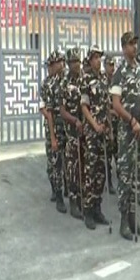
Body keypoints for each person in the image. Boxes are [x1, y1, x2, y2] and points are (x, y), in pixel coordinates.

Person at [110, 31, 140, 241]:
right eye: (130, 44)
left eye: (135, 44)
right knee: (126, 177)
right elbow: (116, 104)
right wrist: (131, 121)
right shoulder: (119, 73)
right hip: (127, 134)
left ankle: (134, 218)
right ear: (123, 47)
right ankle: (123, 222)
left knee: (138, 176)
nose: (134, 48)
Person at [80, 45, 111, 229]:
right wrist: (95, 125)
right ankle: (88, 211)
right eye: (96, 58)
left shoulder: (104, 79)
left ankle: (98, 208)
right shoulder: (86, 80)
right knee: (90, 172)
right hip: (92, 132)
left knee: (101, 171)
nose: (98, 60)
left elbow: (107, 105)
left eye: (100, 57)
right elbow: (84, 107)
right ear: (90, 60)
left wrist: (108, 128)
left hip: (103, 132)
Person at [59, 47, 84, 221]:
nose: (77, 64)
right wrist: (75, 120)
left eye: (78, 61)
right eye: (74, 62)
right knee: (73, 167)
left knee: (84, 166)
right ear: (68, 64)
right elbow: (62, 111)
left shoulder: (84, 80)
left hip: (86, 132)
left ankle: (84, 200)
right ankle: (74, 202)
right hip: (72, 133)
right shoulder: (64, 84)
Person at [45, 49, 67, 213]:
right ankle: (58, 194)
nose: (61, 65)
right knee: (55, 163)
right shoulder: (48, 85)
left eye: (62, 62)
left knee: (68, 162)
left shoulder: (68, 82)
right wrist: (52, 136)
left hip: (67, 129)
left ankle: (68, 190)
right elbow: (47, 111)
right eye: (58, 62)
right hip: (54, 128)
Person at [39, 56, 57, 201]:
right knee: (52, 160)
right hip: (50, 125)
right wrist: (50, 116)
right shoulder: (45, 84)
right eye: (49, 66)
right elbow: (42, 107)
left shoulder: (61, 82)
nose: (50, 68)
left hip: (62, 126)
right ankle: (54, 189)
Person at [104, 54, 117, 194]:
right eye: (109, 65)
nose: (111, 68)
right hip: (108, 124)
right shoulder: (103, 81)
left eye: (113, 65)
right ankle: (108, 182)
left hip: (118, 124)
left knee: (118, 155)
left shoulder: (116, 81)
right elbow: (105, 105)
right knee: (107, 157)